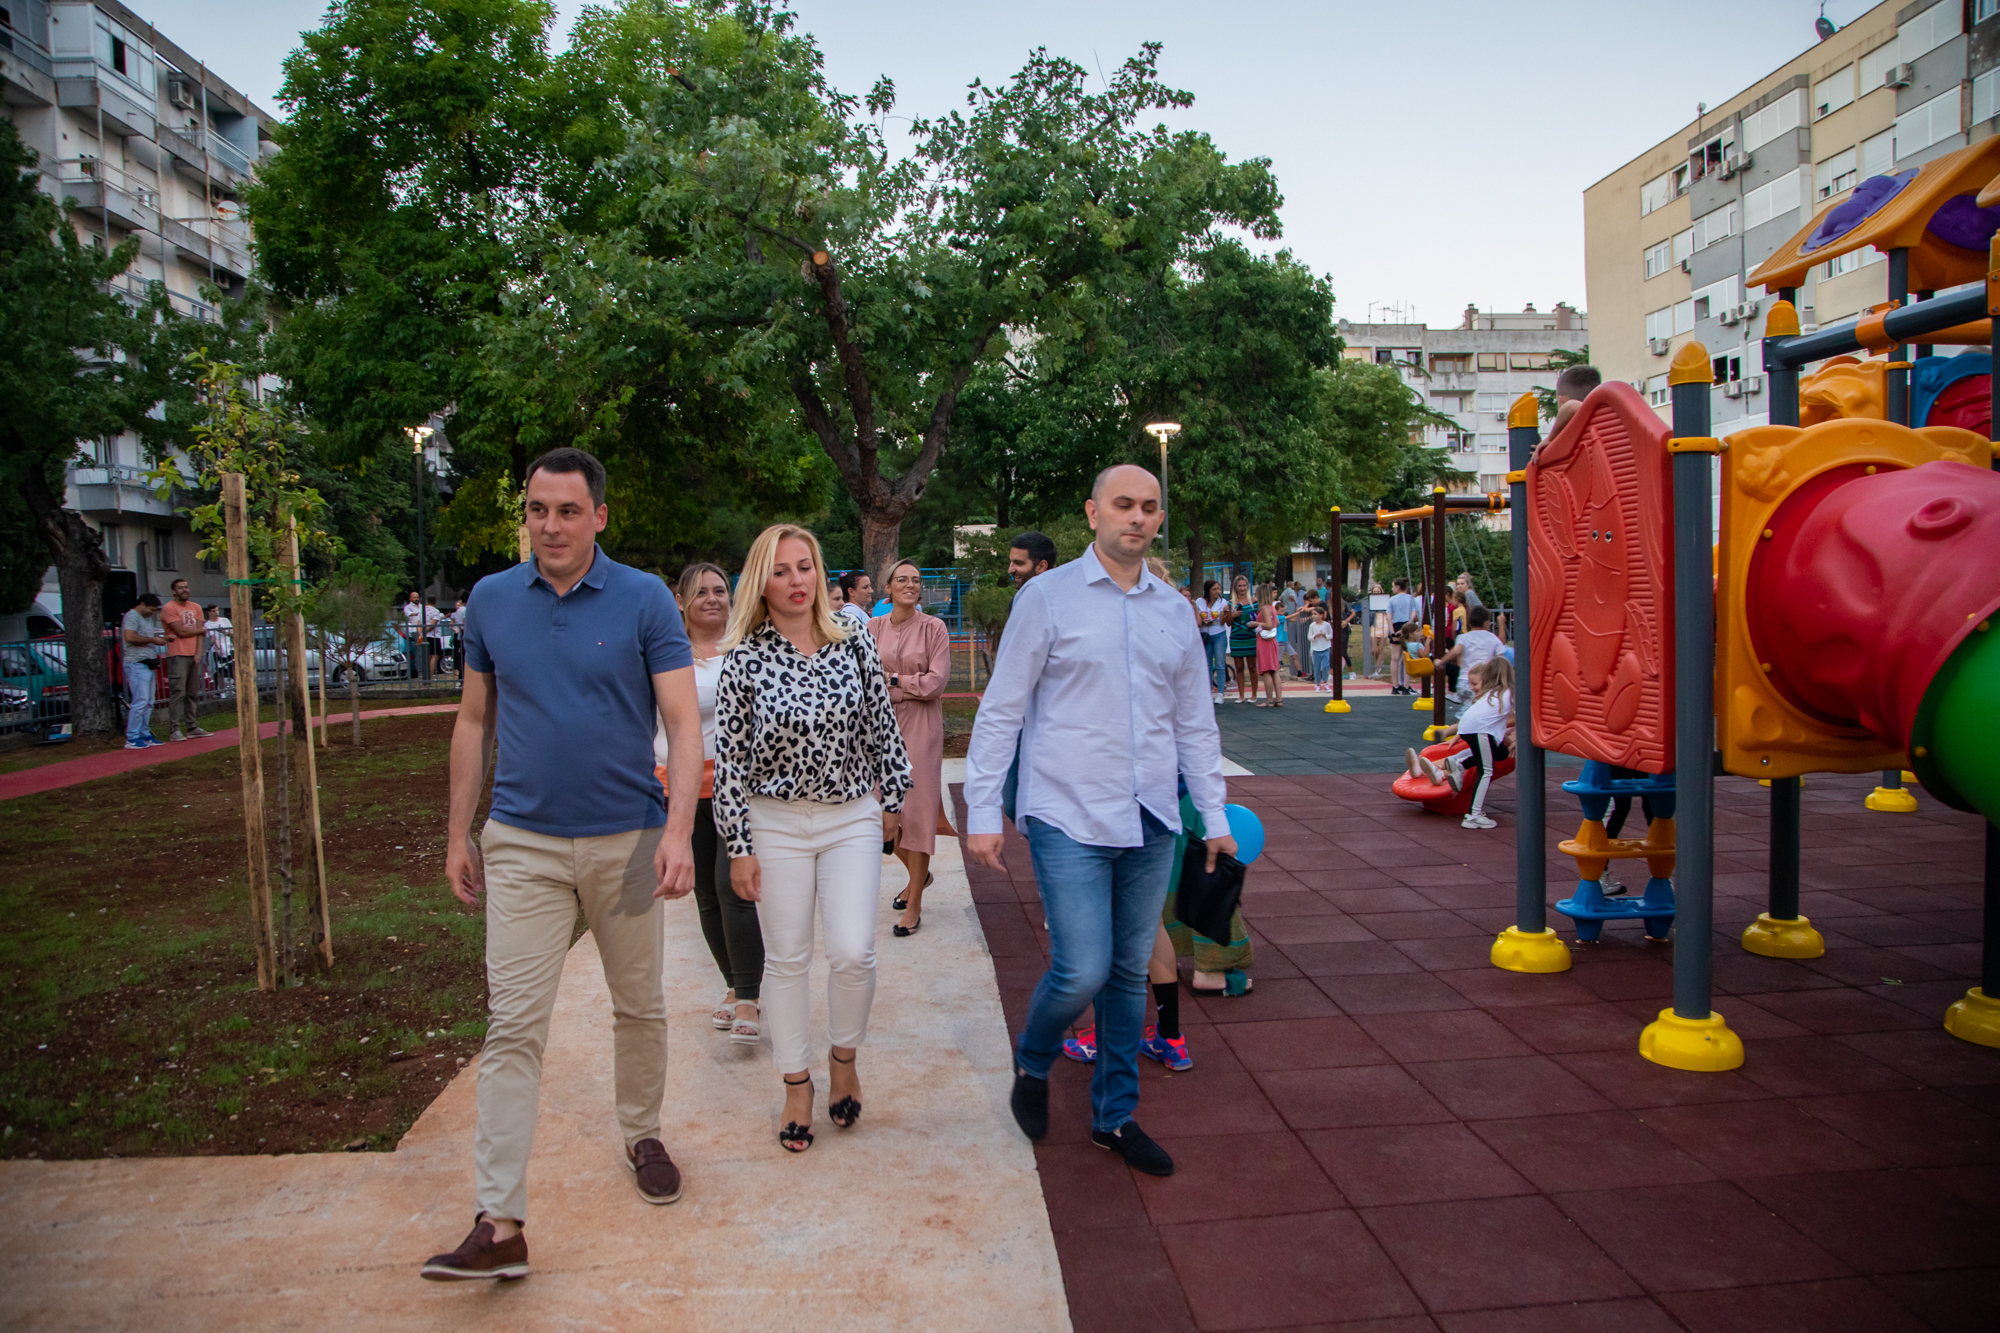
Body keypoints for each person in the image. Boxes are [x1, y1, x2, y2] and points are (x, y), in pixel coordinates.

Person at [422, 447, 702, 1283]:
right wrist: (456, 832)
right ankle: (499, 1220)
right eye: (539, 509)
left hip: (626, 840)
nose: (551, 525)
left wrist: (679, 829)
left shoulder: (646, 598)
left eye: (568, 510)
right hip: (523, 844)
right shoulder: (491, 600)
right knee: (511, 1025)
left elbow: (684, 725)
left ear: (599, 517)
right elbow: (473, 721)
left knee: (639, 1004)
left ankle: (642, 1130)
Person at [965, 464, 1236, 1178]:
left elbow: (1195, 723)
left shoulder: (1174, 610)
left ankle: (1114, 1115)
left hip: (1150, 816)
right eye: (1124, 504)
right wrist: (982, 809)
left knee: (1126, 976)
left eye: (1150, 507)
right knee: (1081, 967)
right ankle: (1033, 1057)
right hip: (1066, 811)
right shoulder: (1047, 598)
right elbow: (1002, 707)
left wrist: (1213, 815)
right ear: (1093, 513)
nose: (1138, 517)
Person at [712, 525, 913, 1155]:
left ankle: (844, 1058)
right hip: (774, 822)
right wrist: (739, 845)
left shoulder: (853, 637)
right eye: (781, 571)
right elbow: (731, 762)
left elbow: (882, 721)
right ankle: (796, 1082)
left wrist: (894, 799)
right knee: (789, 957)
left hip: (850, 812)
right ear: (760, 582)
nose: (796, 581)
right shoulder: (743, 657)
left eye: (805, 567)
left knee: (854, 950)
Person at [657, 562, 764, 1044]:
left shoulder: (748, 646)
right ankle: (731, 985)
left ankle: (748, 997)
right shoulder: (664, 653)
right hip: (678, 786)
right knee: (704, 896)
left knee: (730, 887)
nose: (712, 599)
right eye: (700, 593)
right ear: (681, 601)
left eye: (720, 590)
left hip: (735, 786)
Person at [871, 558, 951, 938]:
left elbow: (936, 682)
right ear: (887, 587)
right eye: (901, 579)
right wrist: (899, 686)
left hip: (921, 729)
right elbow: (864, 679)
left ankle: (914, 902)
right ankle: (919, 876)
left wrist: (896, 680)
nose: (910, 585)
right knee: (876, 813)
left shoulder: (934, 628)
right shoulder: (871, 628)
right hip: (880, 728)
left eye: (916, 580)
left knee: (916, 813)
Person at [1409, 657, 1514, 830]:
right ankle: (1474, 815)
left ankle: (1459, 764)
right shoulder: (1507, 693)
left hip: (1468, 727)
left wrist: (1510, 743)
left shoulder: (1491, 694)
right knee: (1486, 771)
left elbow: (1498, 726)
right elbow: (1516, 719)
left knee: (1501, 752)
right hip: (1479, 730)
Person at [159, 578, 211, 741]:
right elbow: (181, 631)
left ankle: (192, 726)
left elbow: (201, 633)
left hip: (193, 654)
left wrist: (198, 653)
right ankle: (174, 729)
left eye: (186, 587)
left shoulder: (196, 607)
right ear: (174, 591)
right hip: (177, 654)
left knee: (192, 692)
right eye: (180, 588)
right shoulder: (169, 608)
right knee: (178, 691)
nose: (185, 590)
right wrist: (199, 631)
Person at [120, 592, 168, 750]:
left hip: (147, 661)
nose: (152, 613)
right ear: (142, 604)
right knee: (140, 701)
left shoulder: (147, 618)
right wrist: (153, 640)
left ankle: (144, 733)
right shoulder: (132, 616)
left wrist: (162, 640)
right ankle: (132, 737)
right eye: (151, 609)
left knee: (148, 702)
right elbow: (130, 637)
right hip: (136, 662)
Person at [1437, 605, 1504, 703]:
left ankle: (1461, 708)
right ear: (1486, 623)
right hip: (1482, 683)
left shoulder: (1463, 637)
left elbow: (1456, 651)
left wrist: (1441, 661)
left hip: (1464, 681)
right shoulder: (1492, 637)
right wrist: (1501, 624)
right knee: (1478, 709)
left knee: (1469, 707)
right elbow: (1501, 651)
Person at [1542, 363, 1603, 450]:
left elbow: (1572, 406)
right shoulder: (1604, 420)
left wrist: (1550, 439)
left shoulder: (1579, 427)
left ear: (1563, 400)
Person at [1193, 579, 1230, 702]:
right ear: (1208, 590)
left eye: (1218, 589)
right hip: (1205, 634)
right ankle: (1208, 691)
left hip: (1218, 633)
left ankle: (1220, 692)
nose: (1217, 591)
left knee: (1220, 663)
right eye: (1214, 589)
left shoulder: (1222, 602)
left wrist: (1224, 614)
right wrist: (1203, 621)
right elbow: (1196, 619)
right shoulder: (1200, 601)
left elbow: (1223, 622)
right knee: (1207, 664)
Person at [1225, 573, 1258, 704]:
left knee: (1252, 667)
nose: (1242, 588)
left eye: (1244, 586)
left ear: (1248, 587)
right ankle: (1241, 695)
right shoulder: (1230, 603)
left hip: (1250, 636)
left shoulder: (1254, 602)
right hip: (1236, 637)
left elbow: (1259, 618)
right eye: (1239, 586)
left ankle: (1254, 695)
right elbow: (1227, 622)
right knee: (1239, 667)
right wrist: (1233, 615)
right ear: (1235, 587)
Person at [1386, 577, 1417, 693]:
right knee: (1406, 657)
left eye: (1393, 586)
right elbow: (1413, 615)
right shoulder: (1411, 599)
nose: (1392, 588)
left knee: (1395, 658)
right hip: (1408, 627)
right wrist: (1407, 627)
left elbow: (1389, 617)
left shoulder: (1392, 600)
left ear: (1398, 587)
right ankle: (1406, 685)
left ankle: (1395, 685)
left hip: (1396, 625)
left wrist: (1392, 631)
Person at [1255, 585, 1283, 707]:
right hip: (1272, 641)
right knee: (1274, 670)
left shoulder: (1265, 608)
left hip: (1264, 641)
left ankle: (1269, 700)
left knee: (1267, 670)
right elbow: (1276, 622)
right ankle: (1279, 699)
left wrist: (1255, 623)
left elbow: (1268, 624)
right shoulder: (1272, 608)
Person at [1308, 604, 1334, 691]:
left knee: (1326, 665)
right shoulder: (1312, 626)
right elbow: (1309, 637)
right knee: (1317, 667)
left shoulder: (1326, 625)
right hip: (1316, 649)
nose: (1313, 616)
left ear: (1321, 615)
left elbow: (1331, 635)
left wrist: (1324, 635)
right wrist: (1314, 636)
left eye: (1315, 614)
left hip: (1325, 648)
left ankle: (1325, 682)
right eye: (1313, 614)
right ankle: (1318, 684)